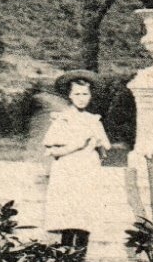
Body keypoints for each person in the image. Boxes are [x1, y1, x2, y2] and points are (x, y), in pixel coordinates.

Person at [41, 70, 120, 233]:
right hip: (68, 170)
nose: (81, 98)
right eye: (77, 94)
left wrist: (97, 143)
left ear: (90, 96)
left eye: (85, 94)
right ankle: (67, 256)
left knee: (85, 220)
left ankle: (81, 256)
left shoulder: (93, 119)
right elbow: (52, 150)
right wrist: (77, 145)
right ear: (70, 96)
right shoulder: (62, 119)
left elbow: (106, 145)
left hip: (88, 170)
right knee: (68, 219)